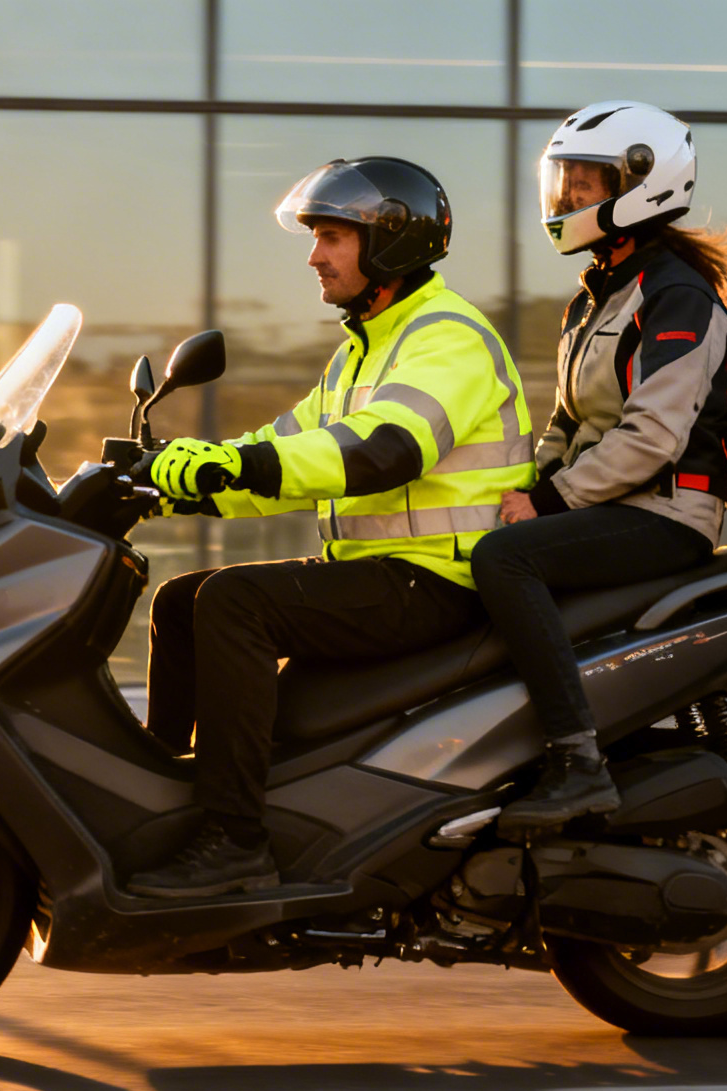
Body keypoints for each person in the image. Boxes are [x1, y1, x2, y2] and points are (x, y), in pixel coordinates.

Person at [127, 156, 533, 898]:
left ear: (391, 242)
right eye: (315, 236)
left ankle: (235, 843)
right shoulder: (361, 350)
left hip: (442, 580)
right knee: (181, 600)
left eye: (333, 237)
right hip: (382, 574)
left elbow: (386, 447)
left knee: (233, 605)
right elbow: (284, 452)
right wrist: (173, 486)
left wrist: (234, 466)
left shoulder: (447, 336)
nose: (314, 256)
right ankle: (167, 800)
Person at [473, 101, 727, 832]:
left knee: (505, 560)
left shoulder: (675, 296)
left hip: (666, 512)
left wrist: (550, 503)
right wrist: (521, 487)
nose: (566, 197)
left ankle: (577, 761)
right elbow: (567, 422)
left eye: (584, 182)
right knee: (480, 538)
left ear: (640, 185)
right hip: (612, 502)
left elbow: (652, 435)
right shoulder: (595, 297)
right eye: (563, 180)